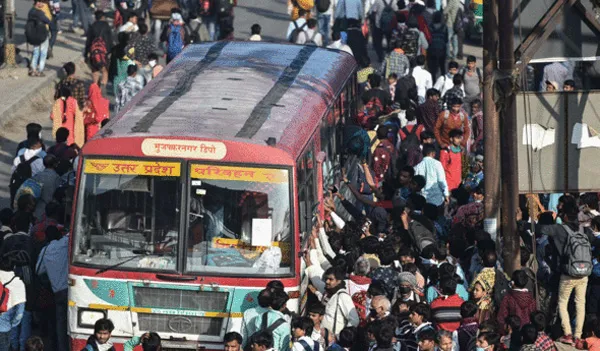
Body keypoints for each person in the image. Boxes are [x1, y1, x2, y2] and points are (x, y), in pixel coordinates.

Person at [36, 226, 69, 351]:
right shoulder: (65, 243)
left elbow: (38, 270)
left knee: (60, 324)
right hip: (70, 289)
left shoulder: (45, 250)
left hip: (57, 292)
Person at [85, 11, 113, 89]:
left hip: (93, 52)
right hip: (104, 52)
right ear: (102, 17)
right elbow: (109, 39)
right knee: (104, 70)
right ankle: (103, 87)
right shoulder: (106, 25)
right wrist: (111, 51)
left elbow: (88, 41)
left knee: (95, 70)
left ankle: (95, 88)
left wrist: (86, 53)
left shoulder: (92, 26)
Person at [27, 0, 54, 77]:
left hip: (34, 34)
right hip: (42, 34)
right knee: (43, 53)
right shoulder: (39, 13)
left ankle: (33, 69)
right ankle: (40, 70)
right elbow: (48, 21)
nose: (42, 3)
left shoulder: (31, 11)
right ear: (37, 3)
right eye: (40, 2)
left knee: (35, 51)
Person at [31, 155, 61, 220]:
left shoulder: (37, 176)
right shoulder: (56, 177)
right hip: (51, 210)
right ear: (55, 164)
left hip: (38, 209)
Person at [427, 11, 448, 81]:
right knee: (442, 67)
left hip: (432, 49)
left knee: (432, 69)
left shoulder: (430, 27)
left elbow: (428, 38)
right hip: (442, 50)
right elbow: (446, 40)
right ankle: (443, 80)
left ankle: (433, 82)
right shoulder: (444, 27)